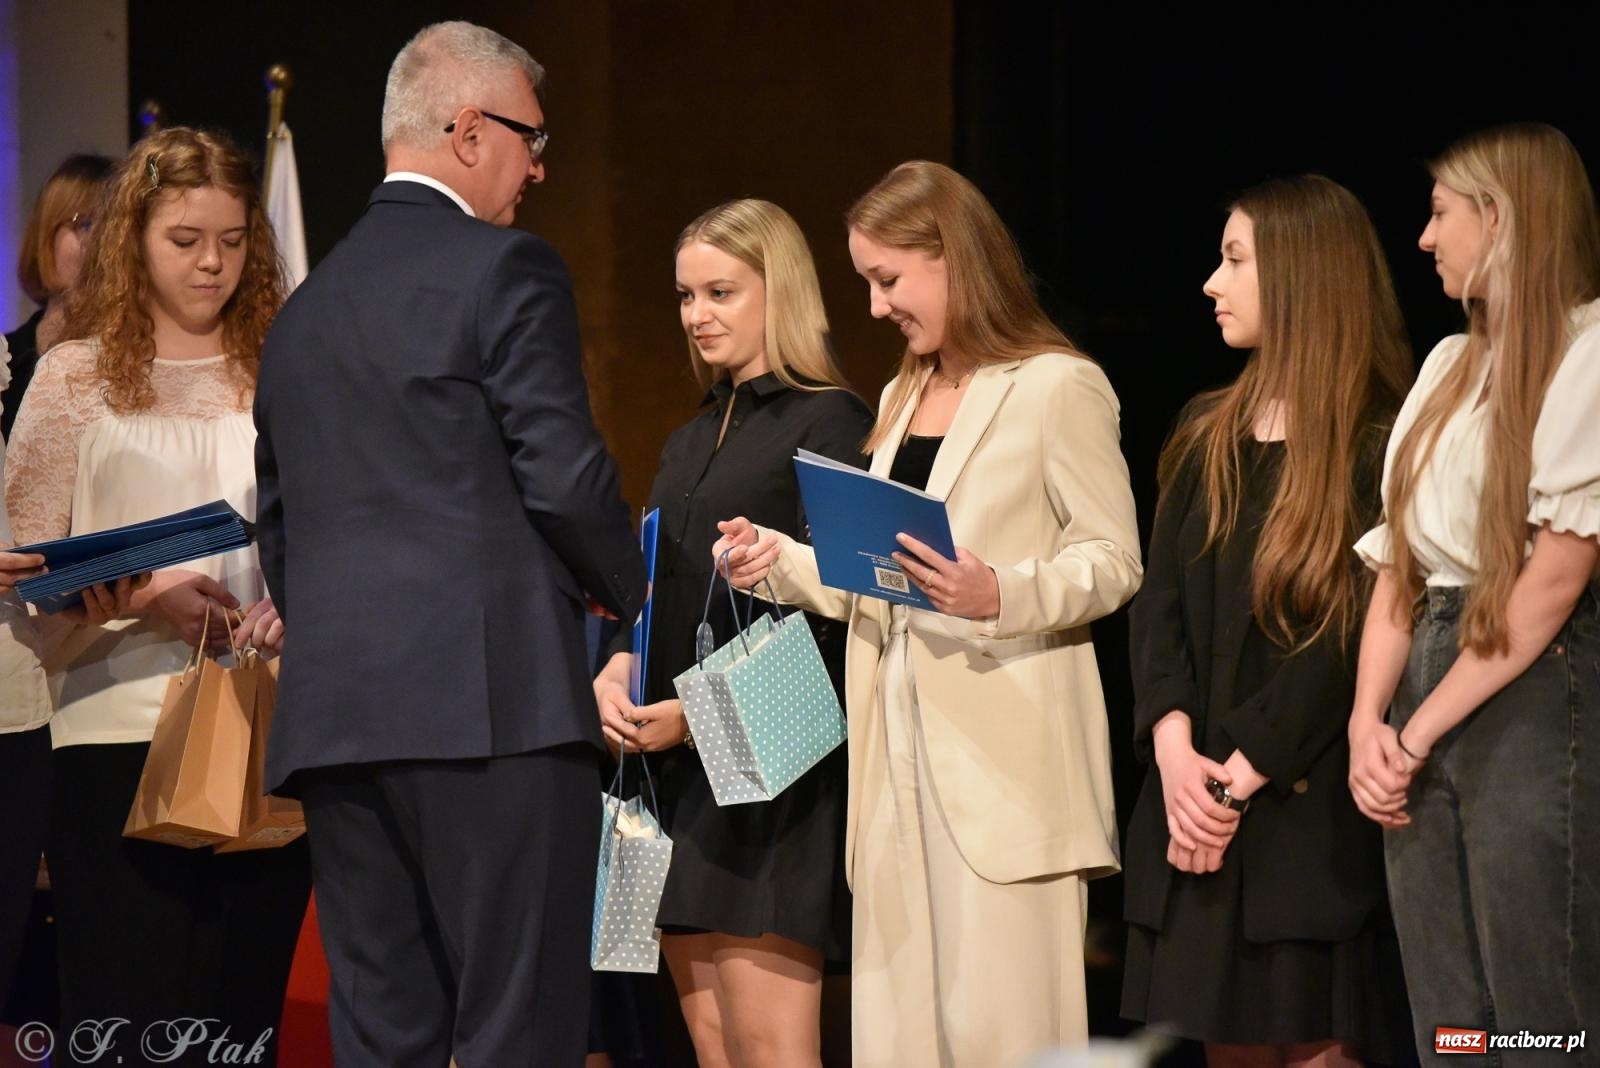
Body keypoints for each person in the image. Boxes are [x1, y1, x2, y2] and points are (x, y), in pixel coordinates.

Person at [254, 21, 645, 1066]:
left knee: (385, 1037)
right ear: (469, 131)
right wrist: (630, 594)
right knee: (519, 1028)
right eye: (530, 137)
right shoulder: (507, 268)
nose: (539, 165)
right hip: (494, 713)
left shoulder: (301, 314)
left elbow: (282, 531)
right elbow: (564, 476)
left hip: (340, 729)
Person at [713, 160, 1142, 1067]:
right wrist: (777, 561)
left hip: (1005, 778)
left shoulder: (1057, 385)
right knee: (900, 1043)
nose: (875, 307)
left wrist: (1000, 592)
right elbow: (877, 577)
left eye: (888, 279)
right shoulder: (904, 396)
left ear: (951, 257)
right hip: (893, 772)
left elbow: (1114, 560)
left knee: (1008, 1041)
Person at [4, 127, 308, 1064]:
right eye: (185, 240)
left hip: (264, 725)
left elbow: (331, 530)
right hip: (113, 733)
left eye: (232, 240)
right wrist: (148, 591)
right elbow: (20, 568)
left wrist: (299, 604)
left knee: (240, 1023)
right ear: (133, 239)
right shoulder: (74, 376)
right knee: (127, 1024)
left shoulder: (285, 370)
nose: (212, 263)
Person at [1119, 175, 1414, 1066]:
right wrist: (1178, 757)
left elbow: (1347, 637)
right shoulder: (1206, 430)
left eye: (1235, 260)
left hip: (1303, 822)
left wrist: (1235, 780)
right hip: (1194, 805)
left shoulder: (1377, 442)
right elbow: (1159, 610)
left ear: (1300, 275)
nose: (1212, 282)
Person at [591, 199, 870, 1068]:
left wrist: (693, 717)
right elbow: (659, 587)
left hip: (772, 785)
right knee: (714, 1052)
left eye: (721, 292)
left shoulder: (833, 422)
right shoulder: (686, 438)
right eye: (685, 296)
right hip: (680, 785)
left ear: (777, 290)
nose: (697, 315)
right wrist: (620, 666)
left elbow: (844, 619)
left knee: (770, 1051)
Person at [1348, 122, 1600, 1057]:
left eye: (1440, 213)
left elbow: (1551, 583)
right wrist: (1368, 722)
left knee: (1536, 1009)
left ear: (1499, 217)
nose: (1424, 237)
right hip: (1419, 683)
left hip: (1523, 691)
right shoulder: (1448, 366)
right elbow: (1398, 568)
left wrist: (1416, 731)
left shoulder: (1587, 352)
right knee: (1450, 1015)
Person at [4, 153, 114, 438]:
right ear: (46, 237)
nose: (100, 244)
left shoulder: (143, 356)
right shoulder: (6, 359)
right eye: (85, 225)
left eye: (114, 230)